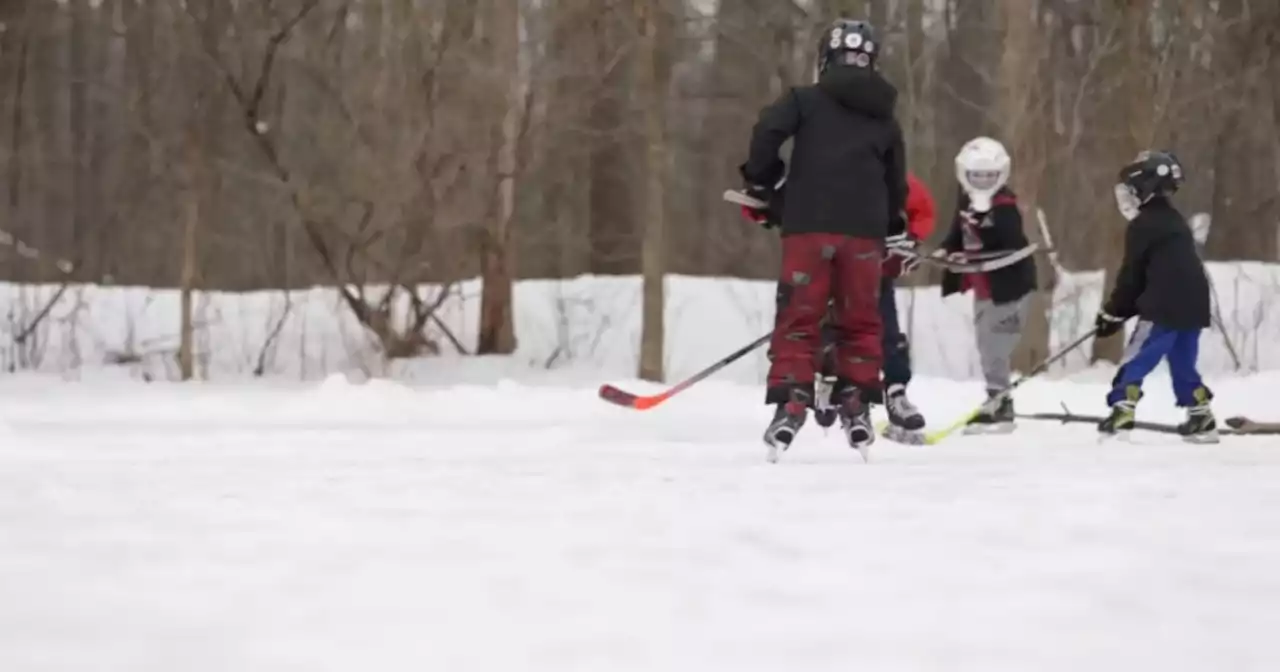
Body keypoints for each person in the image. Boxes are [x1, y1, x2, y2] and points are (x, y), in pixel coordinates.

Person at [737, 18, 906, 458]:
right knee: (862, 321)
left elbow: (767, 131)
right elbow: (896, 181)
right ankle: (856, 399)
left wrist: (763, 181)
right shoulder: (885, 116)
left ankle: (792, 401)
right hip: (865, 235)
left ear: (824, 58)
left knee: (799, 317)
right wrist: (892, 224)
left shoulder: (804, 100)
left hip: (808, 228)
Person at [1095, 150, 1217, 443]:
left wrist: (1112, 313)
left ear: (1144, 187)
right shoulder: (1175, 221)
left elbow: (1131, 277)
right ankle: (1200, 413)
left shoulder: (1143, 225)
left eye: (1131, 191)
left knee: (1139, 355)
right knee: (1183, 361)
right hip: (1194, 304)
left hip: (1163, 307)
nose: (1127, 198)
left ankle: (1123, 406)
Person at [813, 172, 934, 440]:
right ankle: (831, 382)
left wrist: (911, 243)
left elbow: (921, 210)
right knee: (834, 334)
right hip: (834, 269)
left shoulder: (893, 175)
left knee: (886, 332)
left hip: (875, 271)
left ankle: (896, 392)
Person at [939, 137, 1037, 433]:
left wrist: (981, 231)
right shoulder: (965, 200)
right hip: (984, 287)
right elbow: (957, 232)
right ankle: (999, 399)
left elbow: (1010, 243)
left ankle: (1000, 402)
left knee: (995, 345)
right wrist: (947, 250)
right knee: (985, 345)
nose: (982, 182)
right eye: (976, 176)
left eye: (989, 176)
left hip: (1010, 289)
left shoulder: (1004, 206)